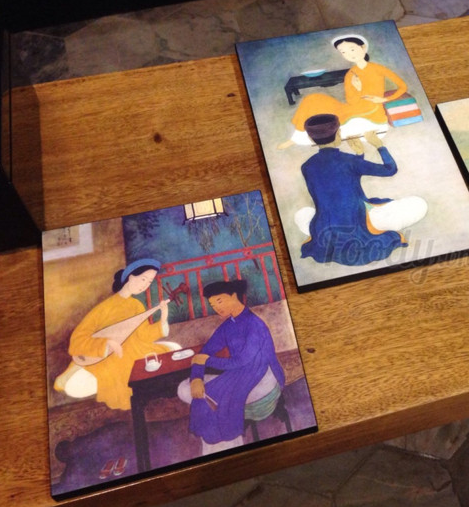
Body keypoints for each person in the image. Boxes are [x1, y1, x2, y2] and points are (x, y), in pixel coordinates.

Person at [296, 113, 426, 266]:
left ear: (311, 139)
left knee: (302, 214)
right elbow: (390, 169)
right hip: (357, 222)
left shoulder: (306, 166)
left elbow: (340, 181)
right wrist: (379, 145)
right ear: (339, 134)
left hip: (324, 225)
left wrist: (359, 154)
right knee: (419, 203)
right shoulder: (349, 161)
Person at [182, 279, 285, 455]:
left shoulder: (254, 324)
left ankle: (231, 448)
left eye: (219, 301)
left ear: (234, 296)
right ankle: (215, 449)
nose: (217, 308)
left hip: (263, 373)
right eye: (213, 305)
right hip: (240, 371)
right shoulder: (228, 325)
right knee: (203, 396)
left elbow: (240, 360)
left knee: (218, 398)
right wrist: (196, 378)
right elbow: (205, 352)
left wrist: (206, 360)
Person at [57, 258, 176, 410]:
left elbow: (143, 335)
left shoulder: (137, 305)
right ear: (131, 276)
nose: (144, 285)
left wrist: (163, 317)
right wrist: (107, 343)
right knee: (74, 388)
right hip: (110, 356)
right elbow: (78, 339)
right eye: (143, 279)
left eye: (149, 282)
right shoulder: (105, 308)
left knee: (173, 347)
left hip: (135, 350)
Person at [278, 34, 409, 151]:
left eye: (352, 49)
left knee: (339, 124)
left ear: (363, 48)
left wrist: (384, 99)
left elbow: (403, 87)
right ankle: (297, 137)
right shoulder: (350, 74)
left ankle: (305, 138)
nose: (350, 54)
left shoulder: (378, 68)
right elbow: (351, 101)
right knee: (312, 98)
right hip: (353, 107)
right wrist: (357, 89)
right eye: (344, 52)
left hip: (372, 110)